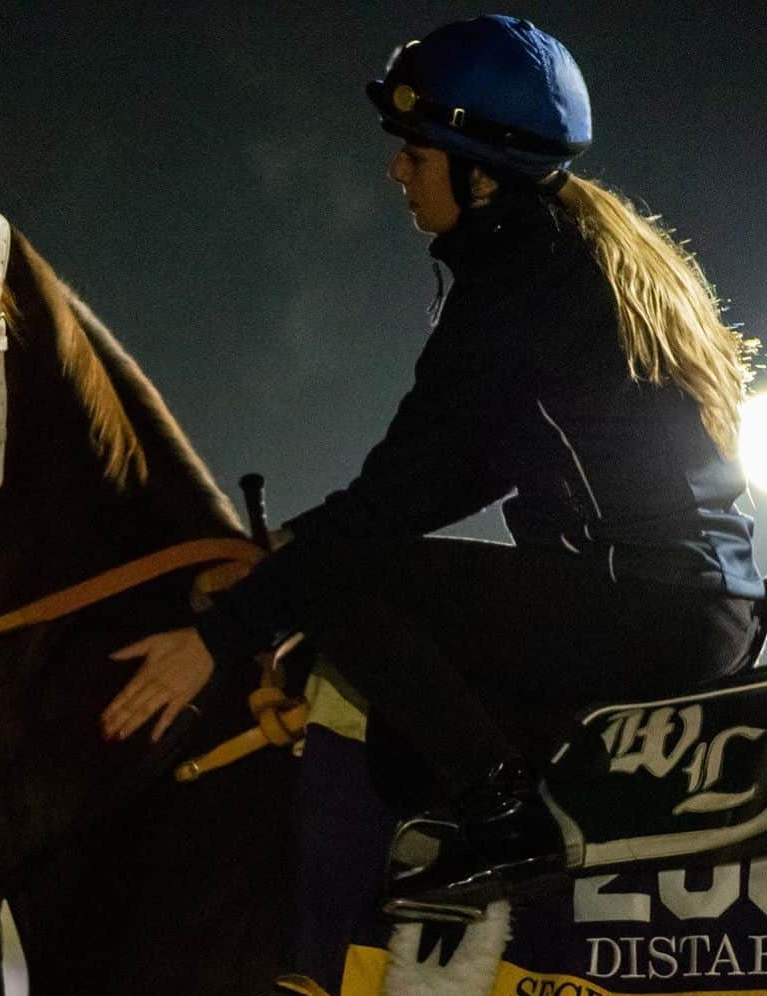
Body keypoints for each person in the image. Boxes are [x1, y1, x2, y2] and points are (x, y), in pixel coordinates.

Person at [101, 14, 764, 921]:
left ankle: (505, 824)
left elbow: (388, 509)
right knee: (371, 641)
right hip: (701, 608)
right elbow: (449, 479)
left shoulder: (514, 291)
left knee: (346, 585)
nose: (397, 174)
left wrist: (222, 639)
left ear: (480, 171)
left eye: (415, 154)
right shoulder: (566, 260)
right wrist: (285, 545)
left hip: (648, 613)